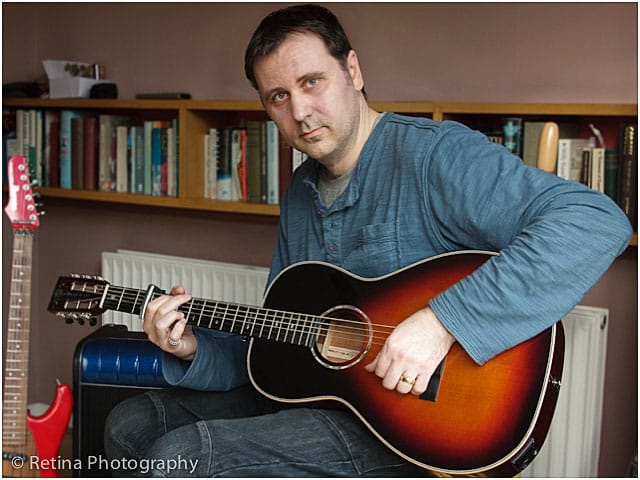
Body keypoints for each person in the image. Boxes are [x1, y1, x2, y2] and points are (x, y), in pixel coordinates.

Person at [104, 4, 632, 477]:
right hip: (329, 399)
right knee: (130, 423)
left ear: (353, 71)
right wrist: (190, 344)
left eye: (312, 82)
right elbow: (279, 343)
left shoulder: (433, 156)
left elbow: (595, 222)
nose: (301, 112)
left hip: (410, 421)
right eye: (279, 97)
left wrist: (442, 323)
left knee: (181, 458)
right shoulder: (301, 189)